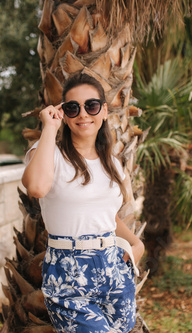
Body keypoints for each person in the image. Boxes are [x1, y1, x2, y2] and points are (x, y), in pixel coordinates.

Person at [22, 73, 145, 333]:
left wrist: (136, 244)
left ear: (103, 112)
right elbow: (36, 187)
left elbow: (107, 218)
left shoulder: (112, 163)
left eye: (91, 105)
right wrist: (50, 128)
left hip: (113, 269)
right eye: (72, 107)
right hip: (67, 272)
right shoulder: (47, 154)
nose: (83, 114)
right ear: (64, 114)